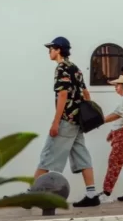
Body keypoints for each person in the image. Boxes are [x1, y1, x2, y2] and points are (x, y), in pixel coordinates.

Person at [35, 37, 100, 208]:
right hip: (77, 121)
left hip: (66, 120)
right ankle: (92, 194)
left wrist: (56, 122)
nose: (49, 52)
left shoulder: (61, 68)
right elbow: (86, 93)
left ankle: (31, 196)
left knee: (47, 156)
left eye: (51, 49)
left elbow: (62, 95)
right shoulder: (75, 68)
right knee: (82, 156)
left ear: (58, 50)